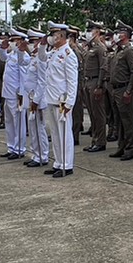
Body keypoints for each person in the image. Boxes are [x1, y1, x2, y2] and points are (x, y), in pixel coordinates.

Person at [41, 22, 79, 177]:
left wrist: (70, 102)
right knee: (55, 134)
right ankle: (58, 162)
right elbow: (42, 58)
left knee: (64, 133)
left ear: (61, 36)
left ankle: (66, 165)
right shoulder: (54, 52)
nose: (51, 37)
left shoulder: (68, 54)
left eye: (53, 35)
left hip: (61, 101)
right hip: (50, 98)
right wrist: (43, 45)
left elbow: (72, 81)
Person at [107, 22, 133, 161]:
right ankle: (121, 146)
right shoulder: (118, 50)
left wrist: (128, 90)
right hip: (115, 89)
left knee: (128, 121)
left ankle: (130, 148)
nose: (116, 35)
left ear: (125, 35)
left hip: (123, 88)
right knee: (118, 120)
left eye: (119, 33)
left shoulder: (129, 51)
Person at [79, 21, 111, 154]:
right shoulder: (90, 47)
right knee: (92, 113)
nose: (88, 33)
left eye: (90, 30)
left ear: (97, 32)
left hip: (95, 82)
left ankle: (100, 141)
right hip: (87, 82)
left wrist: (99, 86)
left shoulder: (100, 48)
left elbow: (103, 68)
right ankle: (95, 139)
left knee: (99, 114)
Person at [23, 30, 52, 170]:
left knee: (39, 129)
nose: (31, 44)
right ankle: (36, 154)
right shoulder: (33, 57)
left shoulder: (41, 59)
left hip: (38, 99)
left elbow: (42, 82)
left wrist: (36, 100)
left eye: (34, 41)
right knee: (32, 128)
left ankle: (43, 156)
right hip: (31, 97)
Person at [0, 31, 27, 160]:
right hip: (7, 93)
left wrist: (21, 94)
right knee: (9, 121)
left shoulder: (23, 56)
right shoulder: (12, 54)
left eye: (14, 40)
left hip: (16, 94)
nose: (11, 42)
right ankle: (11, 147)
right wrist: (2, 48)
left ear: (20, 41)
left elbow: (23, 76)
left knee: (18, 122)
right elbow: (2, 57)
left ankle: (19, 148)